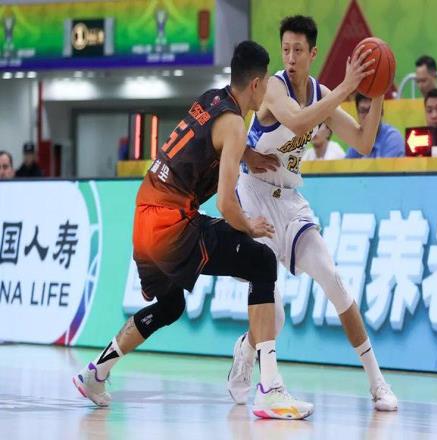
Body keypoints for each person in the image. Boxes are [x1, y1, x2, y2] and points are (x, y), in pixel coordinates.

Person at [72, 41, 313, 420]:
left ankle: (95, 374)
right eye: (266, 81)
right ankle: (270, 389)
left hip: (144, 214)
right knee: (263, 262)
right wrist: (250, 225)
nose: (268, 87)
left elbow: (209, 140)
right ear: (256, 84)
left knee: (170, 306)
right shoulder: (236, 125)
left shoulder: (210, 99)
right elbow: (226, 204)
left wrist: (248, 155)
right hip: (171, 223)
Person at [228, 16, 398, 412]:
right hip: (253, 197)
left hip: (290, 200)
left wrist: (376, 94)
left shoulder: (321, 93)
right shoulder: (274, 87)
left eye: (298, 50)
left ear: (313, 53)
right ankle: (247, 349)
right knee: (276, 315)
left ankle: (377, 382)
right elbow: (299, 120)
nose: (290, 58)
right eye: (285, 49)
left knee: (334, 280)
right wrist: (347, 87)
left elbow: (363, 141)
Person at [346, 93, 404, 158]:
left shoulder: (393, 138)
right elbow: (347, 163)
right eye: (363, 111)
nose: (367, 116)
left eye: (370, 111)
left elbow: (387, 165)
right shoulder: (358, 139)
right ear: (357, 114)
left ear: (381, 113)